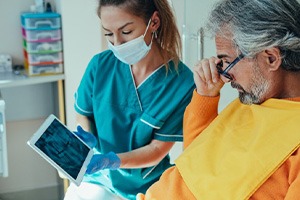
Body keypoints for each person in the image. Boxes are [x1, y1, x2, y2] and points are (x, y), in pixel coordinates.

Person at [136, 0, 300, 199]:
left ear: (271, 58)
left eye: (228, 62)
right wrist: (205, 97)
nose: (224, 75)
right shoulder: (252, 101)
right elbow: (196, 161)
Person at [63, 0, 195, 199]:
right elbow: (84, 114)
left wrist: (113, 160)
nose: (117, 43)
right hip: (99, 178)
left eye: (126, 32)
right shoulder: (100, 66)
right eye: (108, 33)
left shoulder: (181, 83)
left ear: (154, 22)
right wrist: (85, 138)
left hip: (148, 185)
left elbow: (157, 149)